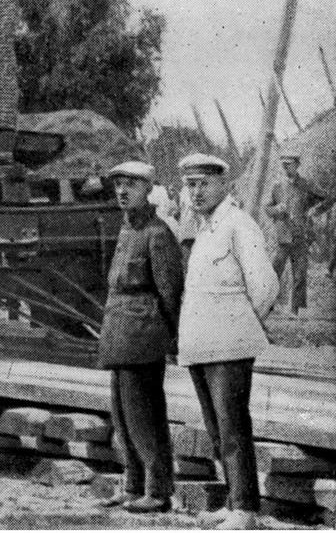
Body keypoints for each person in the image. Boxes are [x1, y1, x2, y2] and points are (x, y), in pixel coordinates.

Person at [177, 153, 278, 530]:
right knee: (217, 429)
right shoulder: (203, 229)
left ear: (225, 185)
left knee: (233, 427)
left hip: (230, 346)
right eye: (191, 185)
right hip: (202, 345)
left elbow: (265, 287)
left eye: (204, 184)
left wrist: (240, 326)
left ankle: (246, 511)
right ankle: (234, 501)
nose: (196, 192)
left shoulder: (239, 225)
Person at [97, 161, 183, 514]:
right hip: (119, 334)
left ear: (148, 189)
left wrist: (173, 339)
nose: (122, 191)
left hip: (143, 336)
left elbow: (170, 292)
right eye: (118, 184)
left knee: (144, 419)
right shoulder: (127, 228)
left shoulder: (157, 233)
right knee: (122, 417)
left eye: (131, 185)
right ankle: (132, 486)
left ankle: (158, 491)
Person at [265, 150, 326, 315]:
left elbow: (326, 197)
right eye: (283, 165)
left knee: (299, 274)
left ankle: (295, 311)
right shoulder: (277, 186)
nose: (285, 168)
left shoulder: (306, 184)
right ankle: (268, 304)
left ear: (297, 165)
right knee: (275, 271)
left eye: (289, 165)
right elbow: (267, 208)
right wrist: (276, 209)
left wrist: (315, 211)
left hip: (300, 235)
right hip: (283, 236)